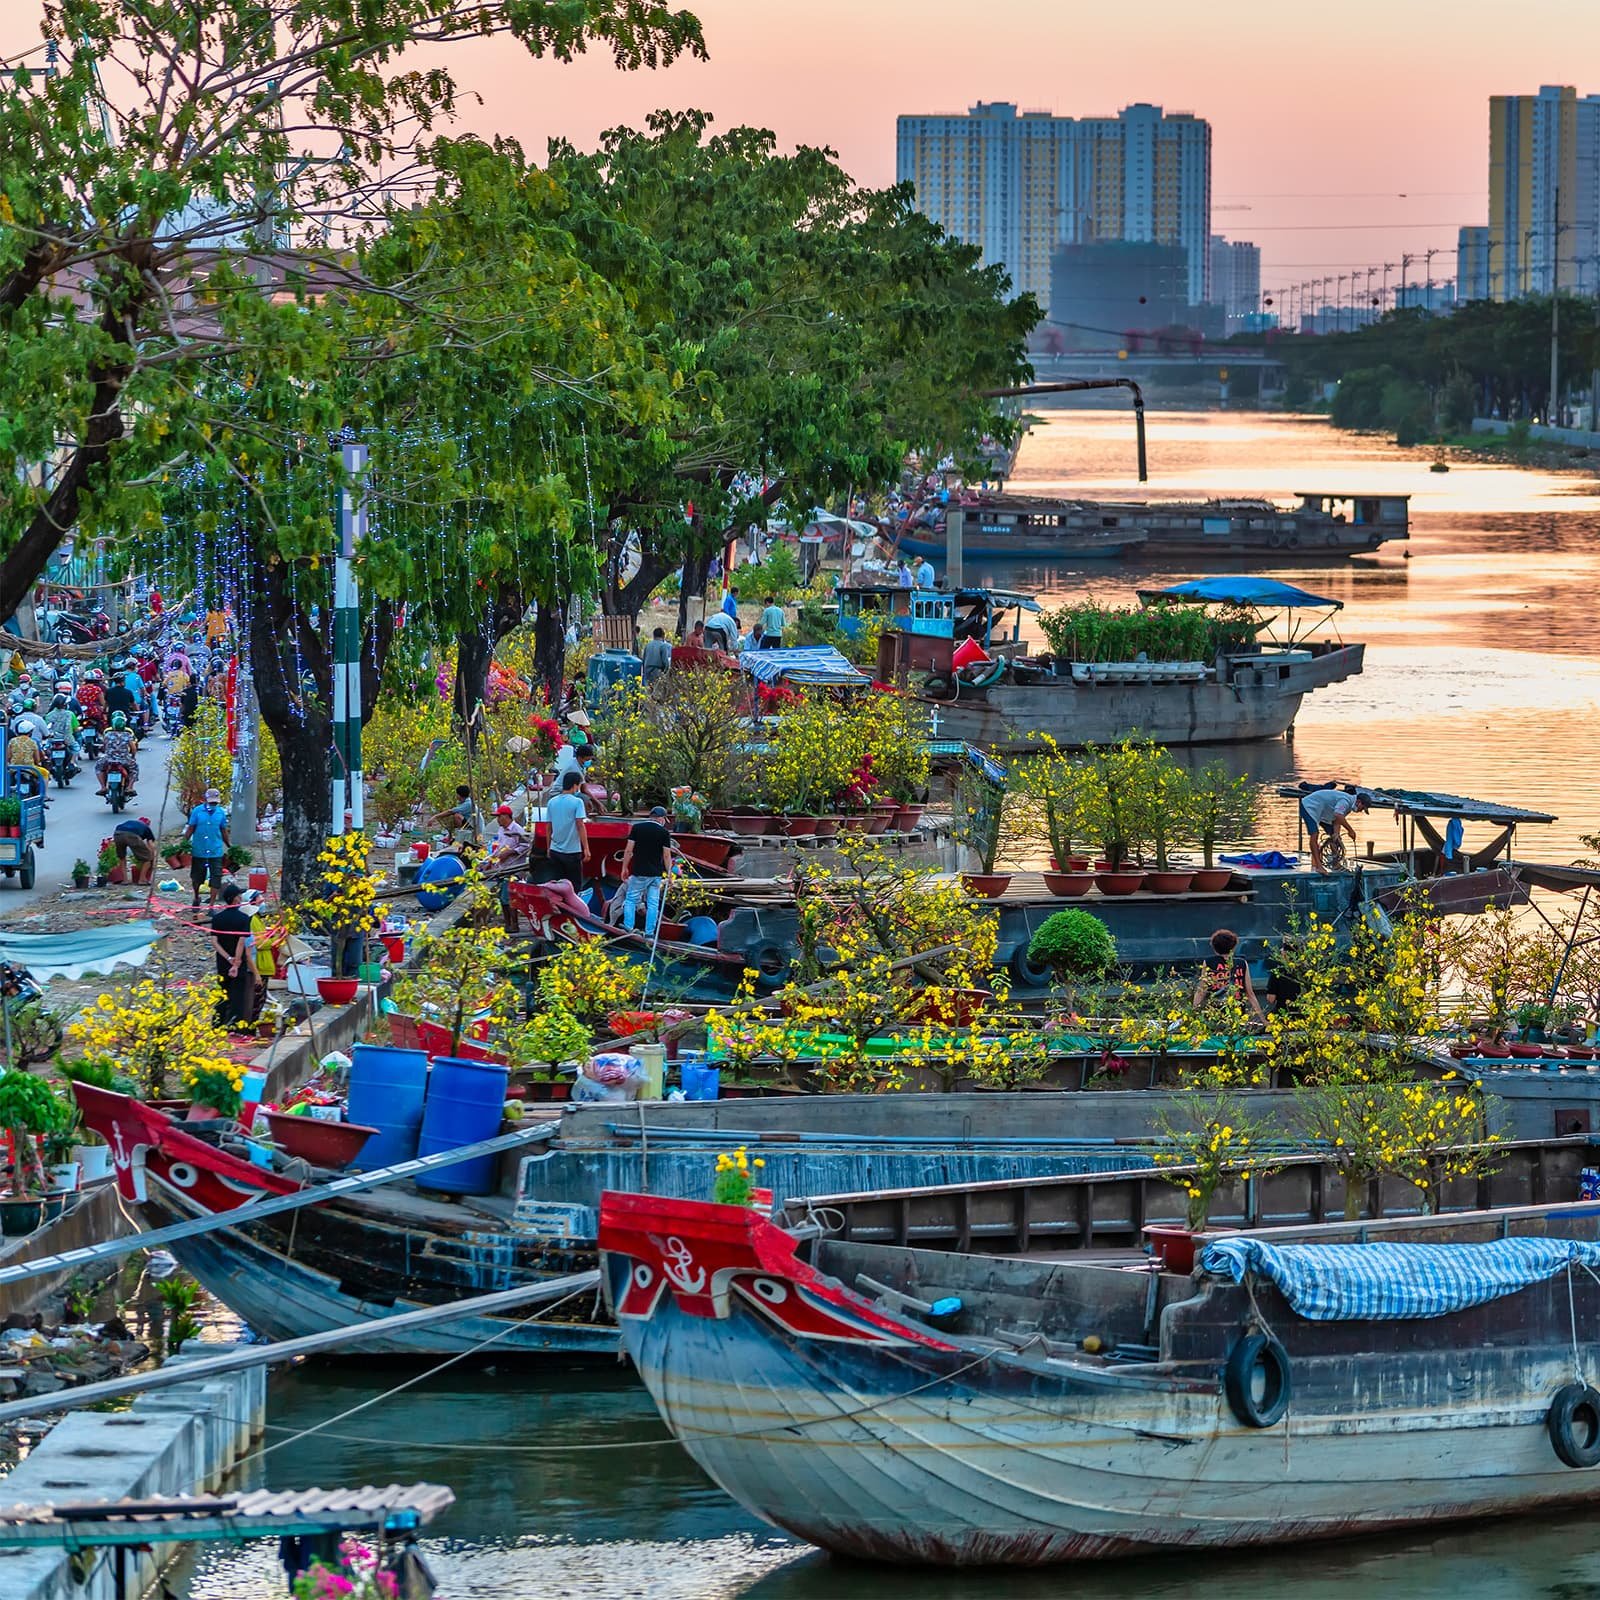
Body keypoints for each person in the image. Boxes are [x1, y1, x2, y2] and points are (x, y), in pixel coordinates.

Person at [618, 804, 675, 937]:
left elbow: (628, 850)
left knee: (631, 899)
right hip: (656, 874)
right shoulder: (664, 833)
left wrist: (624, 868)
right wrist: (670, 874)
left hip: (639, 871)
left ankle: (628, 927)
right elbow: (667, 855)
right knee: (653, 904)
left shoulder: (637, 828)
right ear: (661, 819)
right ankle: (650, 932)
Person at [210, 884, 257, 1029]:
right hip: (238, 963)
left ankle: (217, 1023)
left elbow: (214, 941)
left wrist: (227, 958)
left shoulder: (217, 918)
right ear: (236, 898)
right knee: (237, 996)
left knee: (222, 992)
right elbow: (241, 941)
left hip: (222, 962)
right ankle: (235, 1026)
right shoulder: (243, 918)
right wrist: (236, 963)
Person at [1193, 928, 1264, 1021]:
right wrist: (1263, 1019)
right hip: (1237, 1013)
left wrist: (1193, 1014)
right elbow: (1250, 994)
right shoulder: (1242, 963)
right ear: (1233, 947)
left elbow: (1201, 991)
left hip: (1215, 1013)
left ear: (1215, 948)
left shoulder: (1209, 962)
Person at [1299, 786, 1370, 873]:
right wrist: (1350, 830)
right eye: (1362, 808)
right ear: (1358, 802)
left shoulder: (1348, 807)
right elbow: (1338, 815)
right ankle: (1318, 866)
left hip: (1322, 813)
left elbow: (1337, 821)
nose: (1360, 811)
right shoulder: (1345, 801)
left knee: (1335, 838)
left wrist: (1336, 834)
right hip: (1309, 806)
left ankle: (1335, 864)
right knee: (1315, 835)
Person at [182, 786, 230, 908]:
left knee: (216, 877)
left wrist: (229, 846)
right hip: (199, 849)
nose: (213, 804)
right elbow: (191, 828)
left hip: (215, 850)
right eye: (211, 802)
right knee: (197, 877)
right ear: (205, 800)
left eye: (215, 802)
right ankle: (196, 896)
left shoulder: (220, 813)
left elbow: (223, 830)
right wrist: (183, 843)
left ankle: (211, 905)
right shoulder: (197, 811)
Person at [546, 769, 590, 894]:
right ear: (575, 785)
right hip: (572, 851)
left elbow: (548, 827)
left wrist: (549, 848)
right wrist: (586, 848)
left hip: (555, 850)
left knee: (559, 887)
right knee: (574, 888)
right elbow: (580, 825)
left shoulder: (552, 802)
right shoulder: (577, 802)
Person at [95, 711, 139, 797]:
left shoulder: (108, 734)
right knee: (135, 769)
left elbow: (104, 746)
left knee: (98, 767)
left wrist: (105, 752)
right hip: (124, 759)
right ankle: (130, 787)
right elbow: (133, 748)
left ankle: (103, 787)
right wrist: (133, 757)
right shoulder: (127, 735)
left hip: (108, 759)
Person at [112, 815, 157, 885]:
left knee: (122, 858)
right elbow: (151, 845)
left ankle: (125, 880)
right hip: (131, 835)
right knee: (147, 859)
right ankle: (142, 880)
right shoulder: (146, 828)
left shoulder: (131, 822)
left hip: (117, 833)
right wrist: (153, 858)